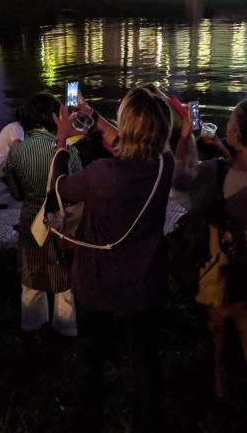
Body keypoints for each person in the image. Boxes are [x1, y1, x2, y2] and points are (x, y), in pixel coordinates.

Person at [50, 86, 174, 433]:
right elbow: (128, 145)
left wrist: (62, 141)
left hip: (97, 279)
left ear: (127, 125)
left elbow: (60, 187)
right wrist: (93, 117)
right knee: (145, 360)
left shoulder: (103, 173)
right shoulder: (164, 164)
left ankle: (89, 422)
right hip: (145, 280)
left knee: (90, 358)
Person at [174, 99, 247, 407]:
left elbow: (180, 179)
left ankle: (218, 391)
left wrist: (185, 137)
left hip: (224, 272)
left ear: (236, 132)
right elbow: (246, 169)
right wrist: (224, 150)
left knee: (215, 335)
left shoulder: (217, 172)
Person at [4, 93, 82, 343]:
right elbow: (78, 191)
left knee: (31, 279)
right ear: (54, 118)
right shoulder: (68, 151)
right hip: (61, 224)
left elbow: (16, 193)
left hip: (30, 222)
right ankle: (65, 333)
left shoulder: (16, 152)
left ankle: (31, 330)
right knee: (64, 281)